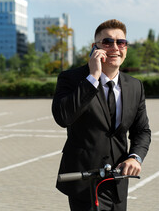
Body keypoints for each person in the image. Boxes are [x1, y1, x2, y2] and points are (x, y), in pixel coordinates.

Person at [52, 19, 151, 211]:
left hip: (118, 181)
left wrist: (135, 157)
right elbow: (63, 117)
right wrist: (93, 77)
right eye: (107, 42)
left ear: (126, 48)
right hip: (85, 181)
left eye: (120, 42)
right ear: (95, 48)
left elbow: (142, 131)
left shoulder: (135, 86)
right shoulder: (71, 79)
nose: (115, 47)